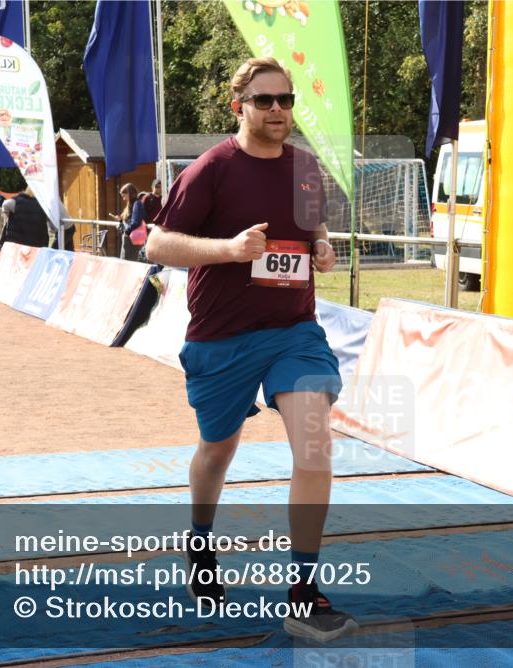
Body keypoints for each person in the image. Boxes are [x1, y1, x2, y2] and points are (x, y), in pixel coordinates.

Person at [145, 57, 353, 643]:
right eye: (265, 101)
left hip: (295, 332)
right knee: (217, 451)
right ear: (239, 106)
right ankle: (201, 543)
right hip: (223, 339)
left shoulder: (307, 169)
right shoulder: (211, 168)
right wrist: (231, 251)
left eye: (286, 100)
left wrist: (323, 247)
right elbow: (158, 244)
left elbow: (312, 230)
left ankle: (304, 591)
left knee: (314, 450)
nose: (279, 111)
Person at [123, 179, 162, 262]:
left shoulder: (163, 198)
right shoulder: (147, 198)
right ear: (152, 187)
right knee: (149, 251)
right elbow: (140, 213)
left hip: (159, 229)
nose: (158, 189)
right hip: (148, 229)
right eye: (156, 186)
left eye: (160, 187)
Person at [113, 183, 141, 261]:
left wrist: (126, 231)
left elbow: (136, 222)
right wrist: (120, 220)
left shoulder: (137, 204)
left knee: (128, 261)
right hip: (128, 237)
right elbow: (130, 220)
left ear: (129, 193)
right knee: (125, 260)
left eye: (124, 196)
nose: (123, 198)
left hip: (131, 238)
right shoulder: (131, 204)